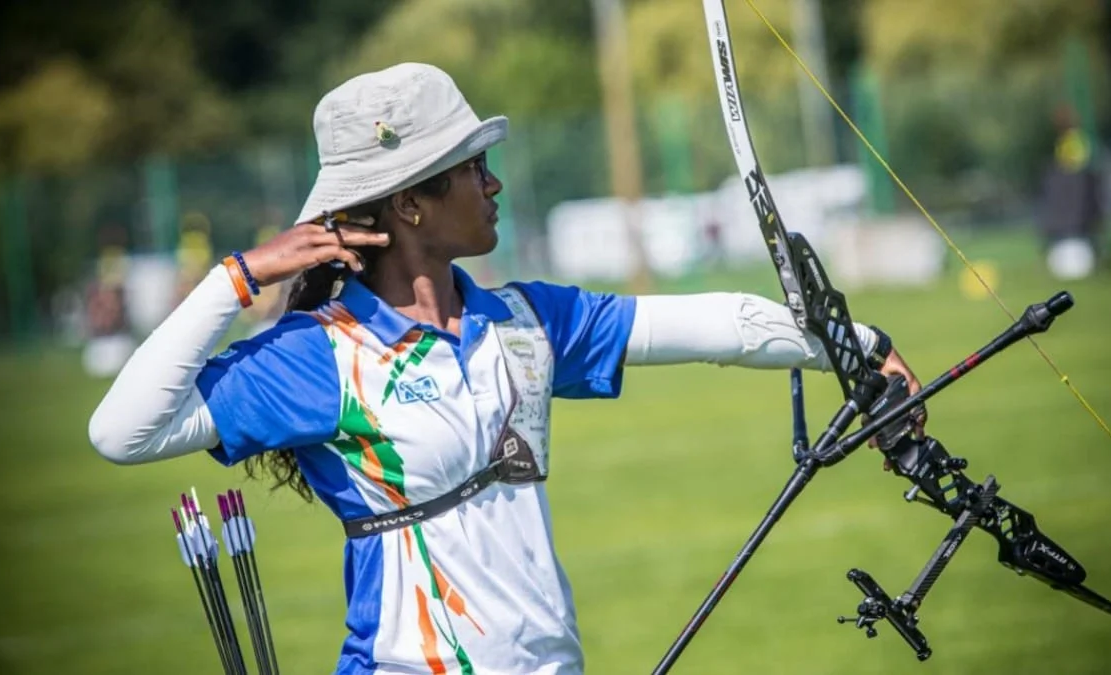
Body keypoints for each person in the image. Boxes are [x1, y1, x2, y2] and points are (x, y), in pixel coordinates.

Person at [88, 63, 923, 675]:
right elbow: (122, 431)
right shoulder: (321, 354)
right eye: (470, 168)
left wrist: (859, 345)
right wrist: (239, 278)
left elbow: (716, 324)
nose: (493, 184)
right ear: (409, 203)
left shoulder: (523, 319)